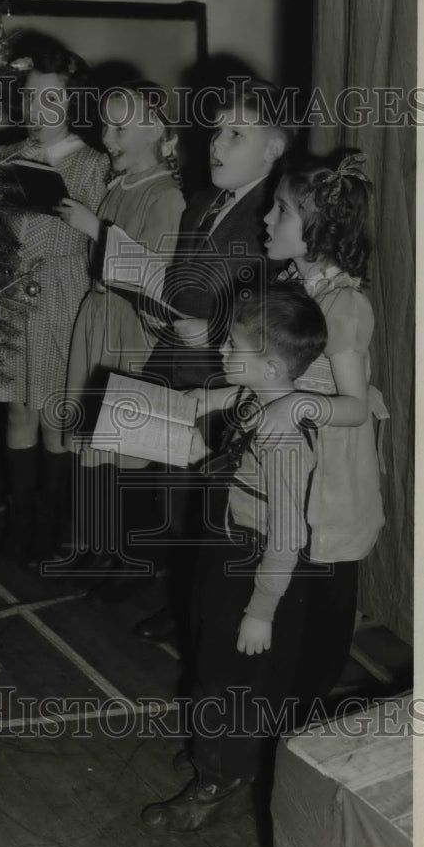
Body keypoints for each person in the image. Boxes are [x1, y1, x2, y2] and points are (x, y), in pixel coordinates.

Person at [141, 284, 329, 832]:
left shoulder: (284, 437)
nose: (223, 355)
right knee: (211, 659)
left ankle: (220, 776)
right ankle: (216, 750)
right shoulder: (260, 398)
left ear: (270, 366)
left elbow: (288, 534)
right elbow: (235, 400)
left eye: (233, 350)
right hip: (228, 545)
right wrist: (208, 399)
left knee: (229, 681)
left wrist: (262, 608)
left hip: (257, 565)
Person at [136, 77, 297, 641]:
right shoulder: (203, 200)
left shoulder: (275, 214)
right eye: (216, 131)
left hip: (229, 379)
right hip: (180, 367)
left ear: (273, 149)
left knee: (215, 500)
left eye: (237, 133)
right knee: (174, 490)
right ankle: (179, 598)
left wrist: (217, 329)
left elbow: (279, 307)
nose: (218, 144)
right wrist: (159, 306)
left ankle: (205, 609)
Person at [261, 148, 387, 707]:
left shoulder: (344, 305)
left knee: (323, 602)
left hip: (332, 474)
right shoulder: (292, 284)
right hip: (293, 467)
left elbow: (355, 405)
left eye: (281, 211)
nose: (267, 219)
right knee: (285, 596)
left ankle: (304, 718)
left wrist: (296, 407)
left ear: (318, 230)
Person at [0, 40, 110, 566]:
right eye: (31, 99)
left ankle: (53, 524)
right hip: (11, 296)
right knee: (18, 410)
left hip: (63, 295)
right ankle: (21, 518)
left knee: (57, 416)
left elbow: (105, 235)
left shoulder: (94, 163)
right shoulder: (4, 157)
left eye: (51, 101)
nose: (38, 111)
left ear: (70, 103)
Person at [53, 81, 186, 581]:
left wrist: (96, 231)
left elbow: (157, 276)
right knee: (97, 447)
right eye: (106, 124)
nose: (107, 135)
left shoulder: (165, 194)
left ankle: (132, 557)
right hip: (99, 318)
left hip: (131, 331)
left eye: (119, 127)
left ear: (154, 130)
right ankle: (103, 543)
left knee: (129, 450)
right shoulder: (119, 185)